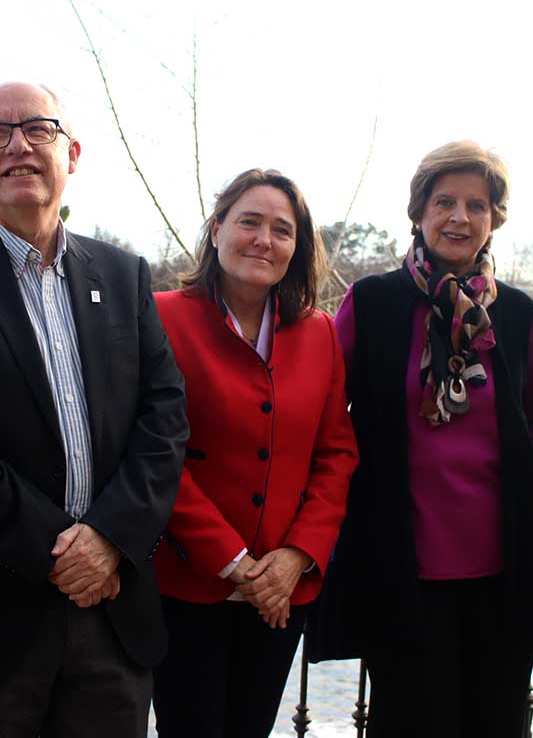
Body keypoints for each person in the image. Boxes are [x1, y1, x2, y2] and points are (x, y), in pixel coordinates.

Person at [0, 81, 189, 738]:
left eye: (37, 129)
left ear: (71, 153)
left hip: (110, 615)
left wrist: (109, 540)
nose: (17, 145)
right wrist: (61, 554)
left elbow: (165, 420)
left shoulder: (125, 275)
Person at [308, 141, 533, 738]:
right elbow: (325, 412)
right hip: (402, 560)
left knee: (497, 722)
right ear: (419, 213)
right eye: (444, 201)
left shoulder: (519, 313)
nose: (459, 217)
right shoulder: (372, 303)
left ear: (494, 220)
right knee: (408, 721)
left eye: (477, 205)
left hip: (504, 567)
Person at [150, 169, 358, 738]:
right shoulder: (161, 316)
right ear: (217, 229)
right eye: (249, 222)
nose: (264, 240)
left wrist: (296, 555)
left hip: (279, 593)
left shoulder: (319, 333)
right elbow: (152, 451)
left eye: (282, 230)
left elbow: (335, 455)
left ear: (297, 248)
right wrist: (233, 562)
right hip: (186, 584)